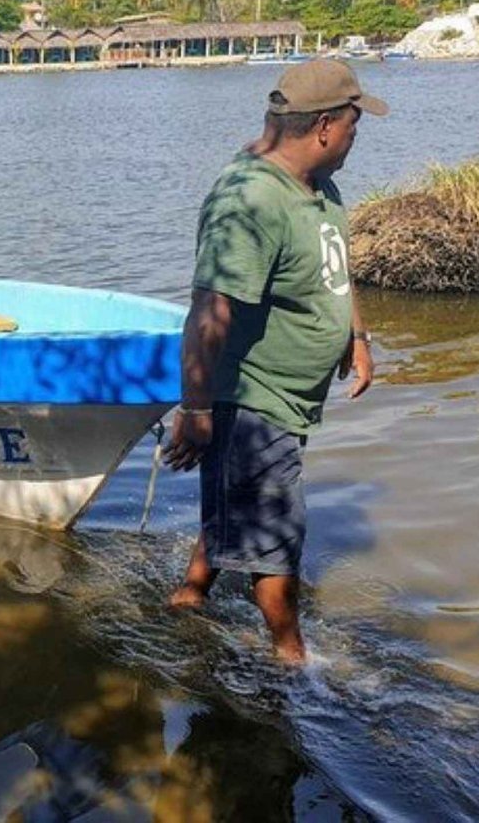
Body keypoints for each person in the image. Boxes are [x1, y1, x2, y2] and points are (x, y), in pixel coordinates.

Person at [163, 58, 383, 665]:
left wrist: (356, 337)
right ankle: (294, 659)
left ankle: (187, 600)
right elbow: (210, 313)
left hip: (288, 399)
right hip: (254, 402)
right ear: (323, 128)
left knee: (235, 507)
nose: (354, 140)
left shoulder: (316, 184)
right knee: (279, 536)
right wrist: (197, 408)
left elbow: (333, 267)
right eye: (353, 128)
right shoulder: (252, 202)